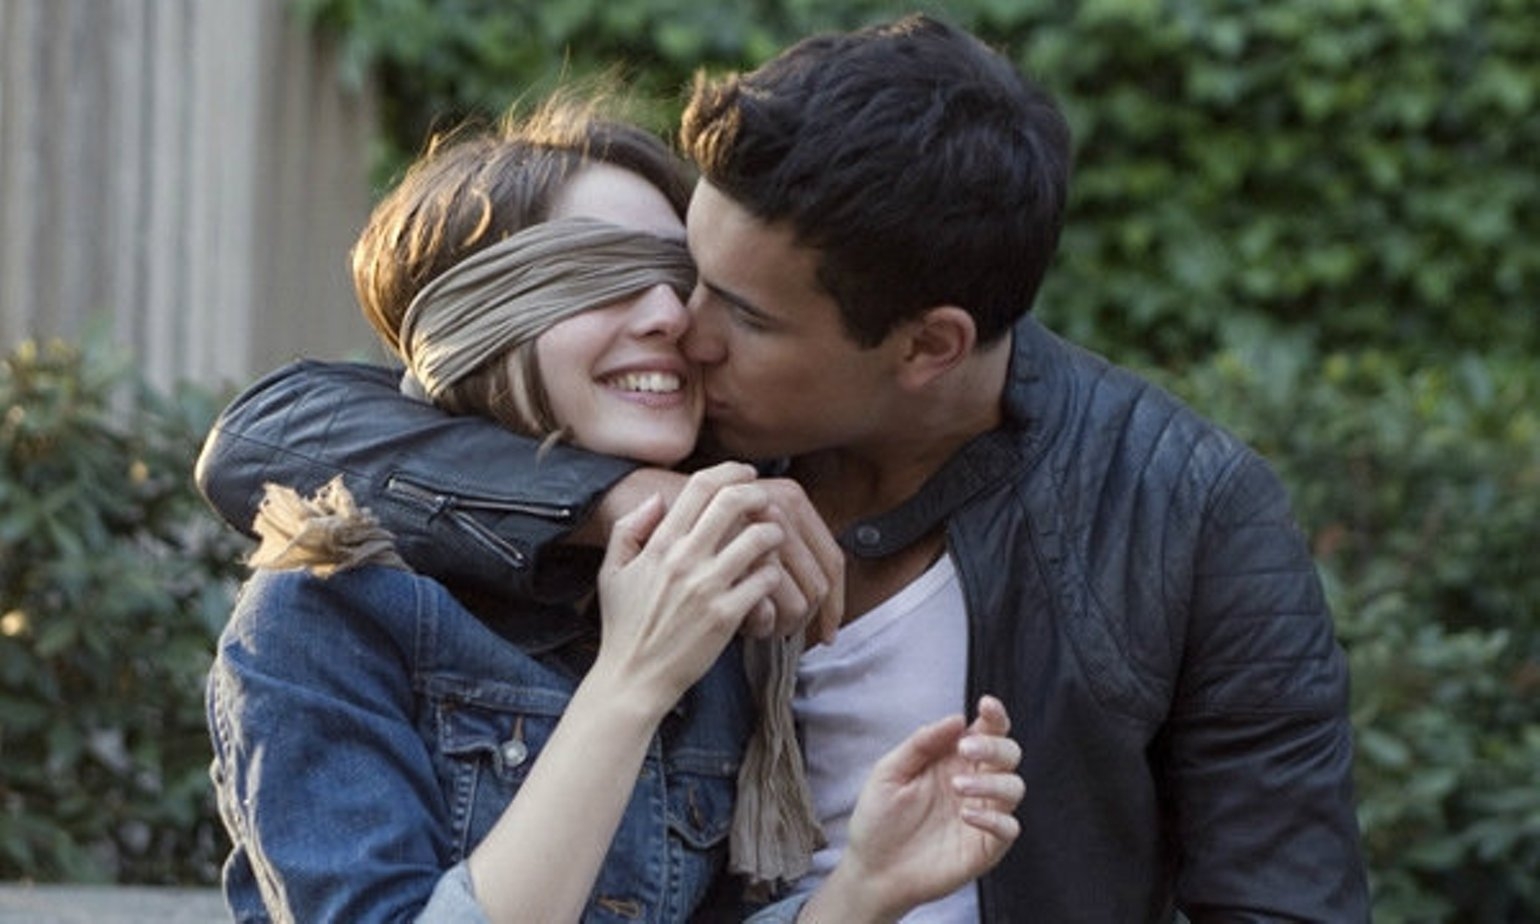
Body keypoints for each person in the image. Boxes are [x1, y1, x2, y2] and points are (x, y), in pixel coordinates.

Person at [198, 13, 1371, 921]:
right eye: (681, 273)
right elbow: (269, 437)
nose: (683, 328)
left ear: (928, 347)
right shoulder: (674, 459)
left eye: (738, 311)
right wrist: (615, 503)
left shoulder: (1182, 513)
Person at [203, 93, 1024, 923]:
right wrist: (634, 680)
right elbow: (257, 434)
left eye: (680, 280)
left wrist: (861, 890)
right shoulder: (328, 610)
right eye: (603, 277)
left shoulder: (709, 583)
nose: (673, 319)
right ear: (482, 320)